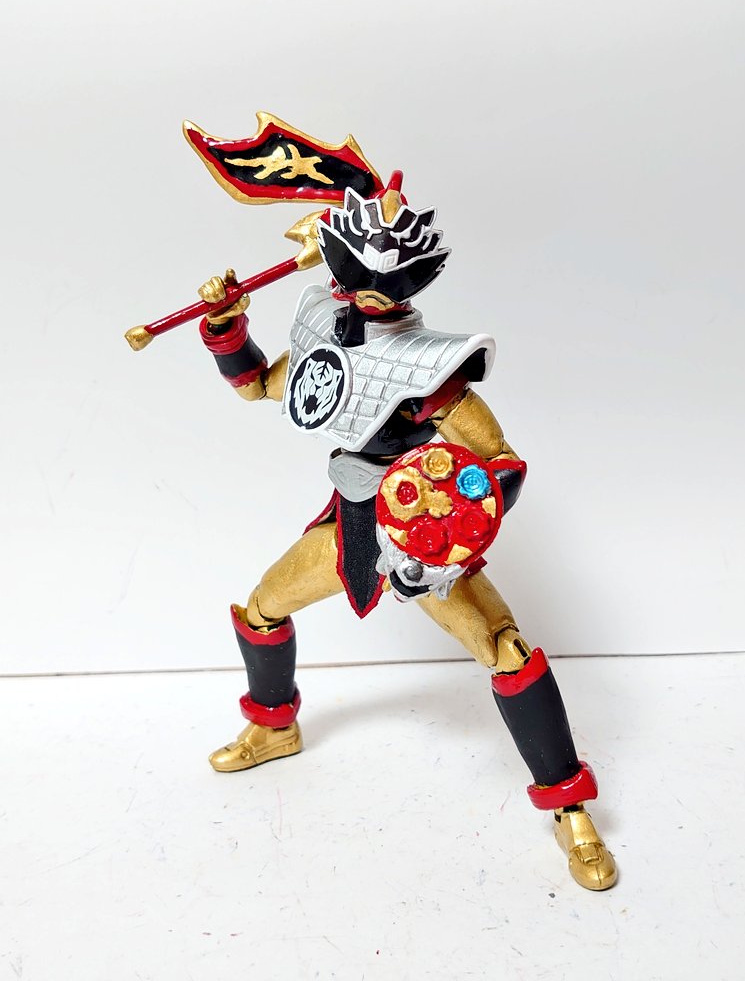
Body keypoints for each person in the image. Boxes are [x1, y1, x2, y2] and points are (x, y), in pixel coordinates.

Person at [197, 173, 617, 891]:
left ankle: (570, 809)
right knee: (261, 609)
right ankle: (273, 724)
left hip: (421, 538)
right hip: (350, 520)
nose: (367, 299)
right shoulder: (326, 335)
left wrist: (445, 531)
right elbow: (260, 384)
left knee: (507, 650)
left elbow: (501, 464)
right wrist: (226, 328)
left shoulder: (432, 368)